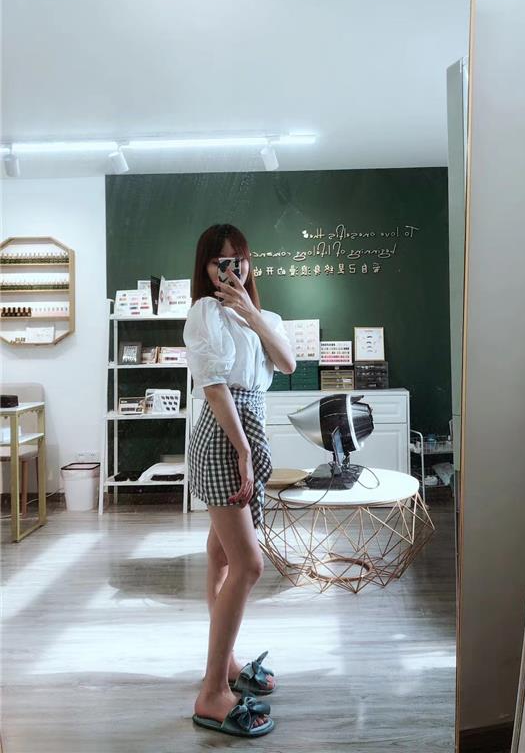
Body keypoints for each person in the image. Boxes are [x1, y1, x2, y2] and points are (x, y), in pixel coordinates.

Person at [183, 223, 296, 738]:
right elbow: (213, 387)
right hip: (224, 435)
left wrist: (250, 312)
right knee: (248, 563)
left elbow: (288, 363)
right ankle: (212, 692)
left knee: (222, 555)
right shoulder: (204, 313)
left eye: (239, 259)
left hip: (248, 430)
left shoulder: (261, 316)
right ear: (206, 268)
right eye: (219, 261)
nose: (231, 269)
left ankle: (226, 664)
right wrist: (244, 450)